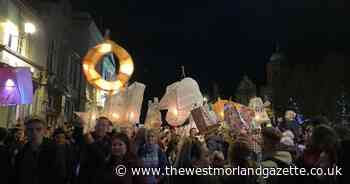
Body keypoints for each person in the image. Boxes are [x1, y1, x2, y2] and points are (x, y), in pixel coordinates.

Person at [14, 118, 64, 184]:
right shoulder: (21, 153)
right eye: (30, 130)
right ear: (26, 132)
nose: (34, 133)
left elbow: (60, 175)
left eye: (38, 129)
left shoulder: (54, 151)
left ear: (44, 132)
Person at [78, 116, 112, 184]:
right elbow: (79, 155)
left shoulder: (109, 141)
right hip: (84, 176)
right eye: (98, 124)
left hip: (99, 177)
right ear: (95, 126)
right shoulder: (87, 137)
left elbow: (104, 159)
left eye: (103, 125)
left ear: (107, 128)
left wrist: (92, 144)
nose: (100, 128)